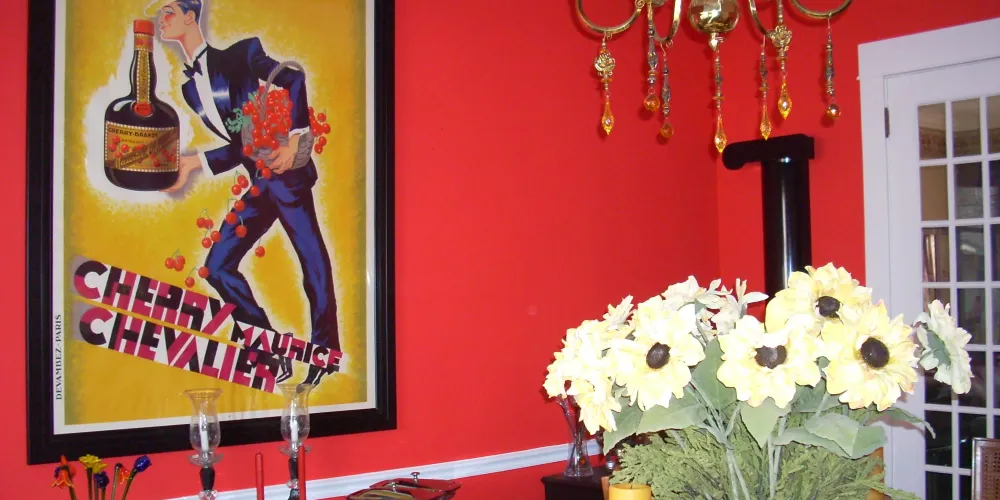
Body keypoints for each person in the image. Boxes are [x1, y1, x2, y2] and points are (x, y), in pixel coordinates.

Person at [153, 0, 338, 385]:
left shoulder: (243, 53)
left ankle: (325, 353)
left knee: (312, 264)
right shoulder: (190, 89)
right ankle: (269, 348)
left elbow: (293, 79)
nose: (161, 19)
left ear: (190, 16)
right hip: (260, 180)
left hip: (286, 175)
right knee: (217, 266)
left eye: (168, 11)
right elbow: (241, 143)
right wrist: (194, 163)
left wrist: (295, 136)